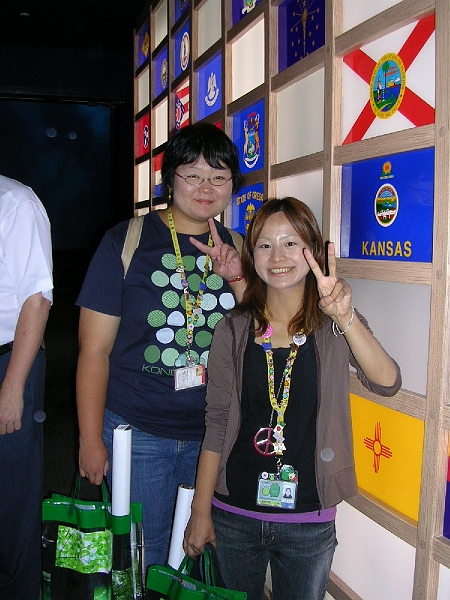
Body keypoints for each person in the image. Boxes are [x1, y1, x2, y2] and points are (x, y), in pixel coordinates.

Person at [183, 197, 402, 600]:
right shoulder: (233, 330)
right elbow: (216, 423)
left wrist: (346, 318)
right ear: (253, 254)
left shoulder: (332, 325)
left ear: (313, 250)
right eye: (265, 245)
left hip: (309, 518)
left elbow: (387, 383)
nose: (278, 256)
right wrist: (200, 511)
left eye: (291, 243)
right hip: (234, 514)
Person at [76, 122, 244, 568]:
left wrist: (241, 276)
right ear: (170, 179)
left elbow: (263, 334)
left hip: (214, 438)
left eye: (219, 176)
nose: (206, 187)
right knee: (142, 556)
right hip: (137, 431)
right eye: (192, 174)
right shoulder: (126, 241)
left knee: (198, 557)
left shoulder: (241, 249)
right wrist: (91, 439)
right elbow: (94, 352)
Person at [0, 175, 53, 599]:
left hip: (7, 362)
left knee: (11, 500)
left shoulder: (15, 201)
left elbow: (37, 298)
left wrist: (12, 387)